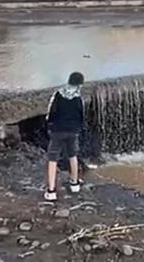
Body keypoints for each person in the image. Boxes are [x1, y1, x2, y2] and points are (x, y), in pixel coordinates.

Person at [45, 72, 85, 201]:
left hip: (57, 130)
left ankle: (51, 191)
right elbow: (81, 115)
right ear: (80, 84)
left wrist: (50, 125)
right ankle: (74, 183)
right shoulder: (78, 97)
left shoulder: (58, 94)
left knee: (53, 158)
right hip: (72, 130)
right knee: (72, 155)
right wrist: (78, 128)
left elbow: (51, 112)